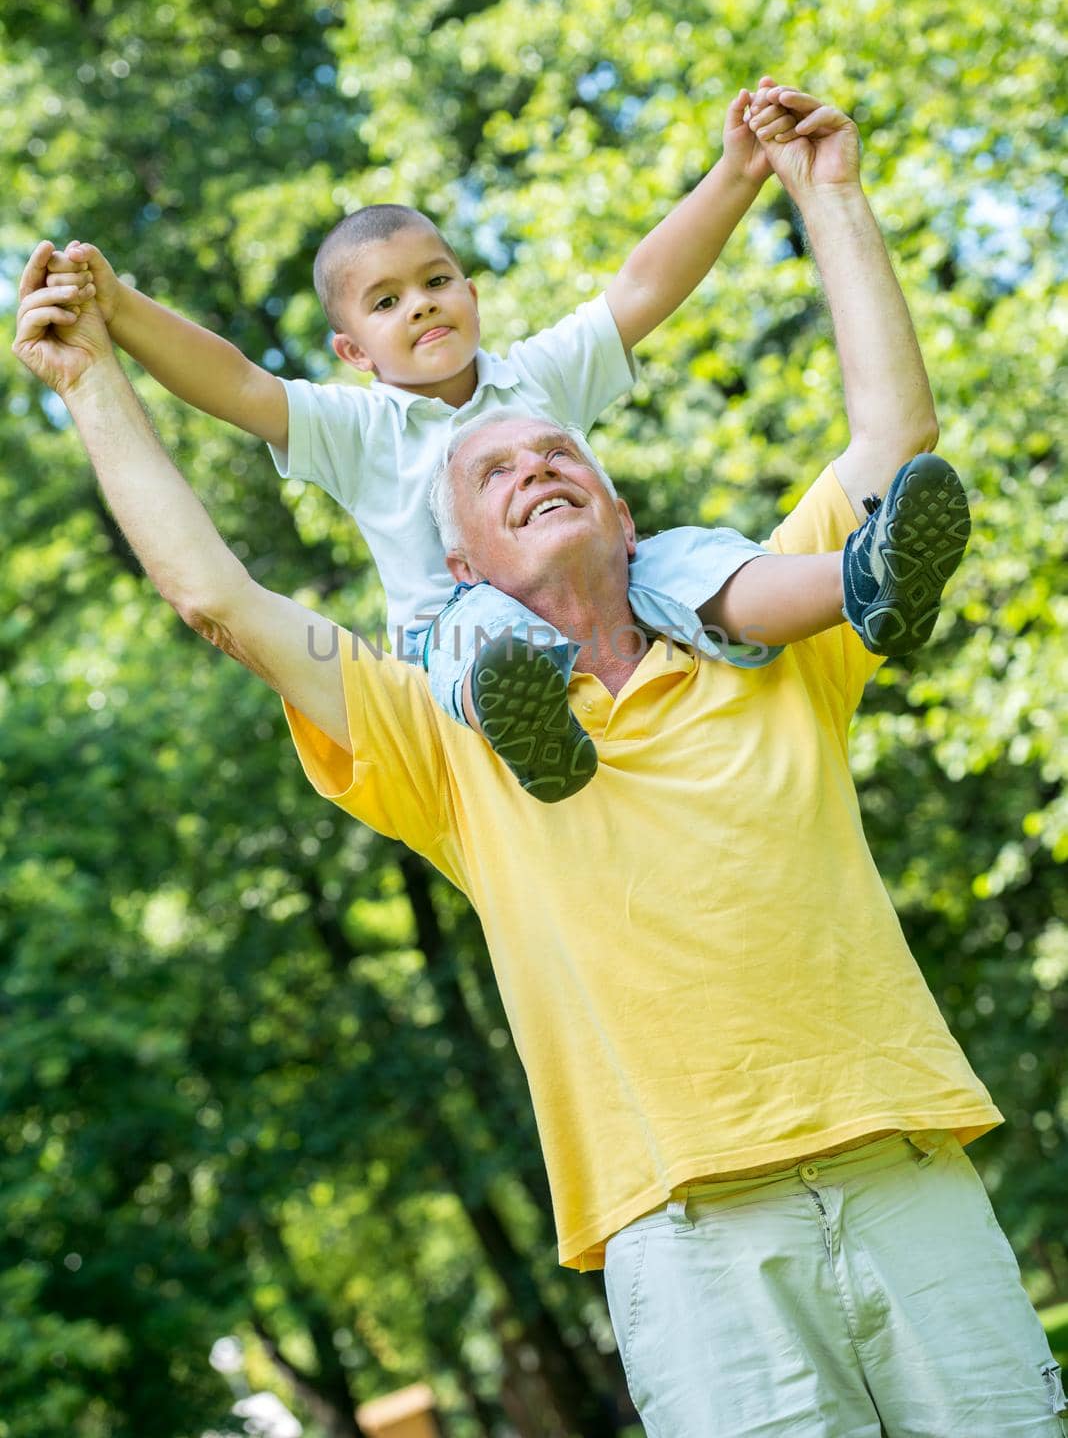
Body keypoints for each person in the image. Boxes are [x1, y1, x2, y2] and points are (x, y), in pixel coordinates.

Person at [15, 90, 1064, 1436]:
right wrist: (97, 373)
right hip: (680, 1230)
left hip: (907, 1161)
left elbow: (888, 441)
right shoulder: (445, 743)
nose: (527, 460)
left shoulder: (765, 649)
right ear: (456, 559)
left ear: (621, 507)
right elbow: (220, 596)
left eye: (557, 452)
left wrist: (823, 192)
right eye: (491, 474)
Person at [42, 82, 968, 805]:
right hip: (459, 629)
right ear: (352, 352)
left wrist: (738, 173)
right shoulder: (355, 427)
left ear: (472, 294)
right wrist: (120, 311)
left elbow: (644, 285)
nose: (424, 305)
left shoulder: (535, 380)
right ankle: (528, 729)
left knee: (696, 559)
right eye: (388, 301)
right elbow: (237, 382)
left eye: (437, 279)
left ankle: (866, 583)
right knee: (487, 637)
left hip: (616, 588)